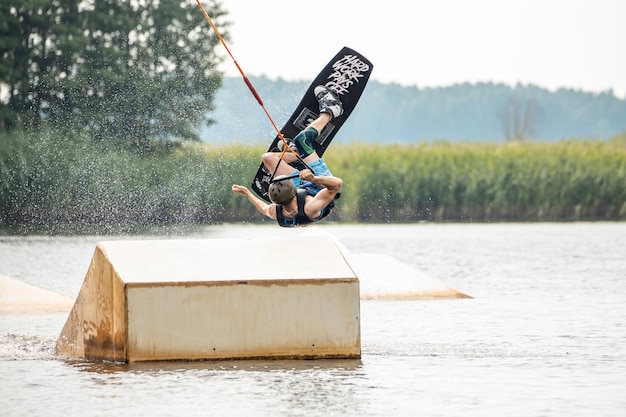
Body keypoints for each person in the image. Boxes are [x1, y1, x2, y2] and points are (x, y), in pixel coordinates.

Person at [231, 85, 344, 227]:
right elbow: (337, 184)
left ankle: (296, 155)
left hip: (301, 188)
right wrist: (313, 178)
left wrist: (247, 193)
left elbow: (264, 208)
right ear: (293, 190)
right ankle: (331, 110)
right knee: (301, 140)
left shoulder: (275, 210)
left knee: (268, 158)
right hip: (319, 185)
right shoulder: (310, 207)